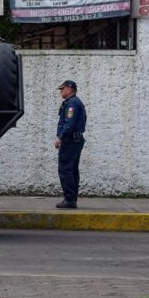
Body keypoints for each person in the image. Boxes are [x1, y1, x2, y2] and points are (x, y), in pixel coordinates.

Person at [54, 80, 87, 209]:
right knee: (72, 170)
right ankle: (71, 199)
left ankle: (69, 200)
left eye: (62, 89)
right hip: (75, 140)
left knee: (65, 169)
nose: (61, 91)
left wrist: (60, 138)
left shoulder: (72, 104)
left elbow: (69, 123)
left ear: (69, 89)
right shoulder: (74, 102)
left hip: (70, 140)